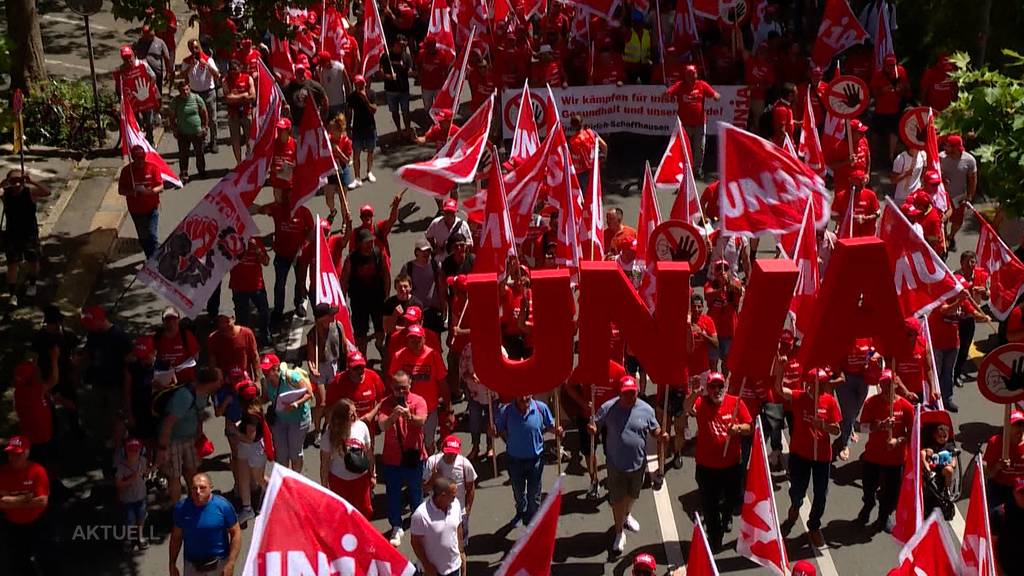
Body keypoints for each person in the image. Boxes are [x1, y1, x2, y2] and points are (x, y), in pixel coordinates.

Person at [590, 376, 665, 553]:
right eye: (625, 393)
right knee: (617, 500)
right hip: (616, 465)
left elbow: (654, 429)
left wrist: (660, 434)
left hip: (638, 464)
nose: (629, 397)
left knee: (632, 496)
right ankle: (618, 532)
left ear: (637, 392)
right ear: (620, 393)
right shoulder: (608, 407)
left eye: (632, 393)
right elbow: (595, 424)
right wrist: (592, 428)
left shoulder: (646, 409)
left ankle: (627, 515)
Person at [683, 371, 752, 551]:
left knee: (732, 499)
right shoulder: (702, 403)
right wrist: (696, 393)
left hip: (731, 466)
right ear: (708, 389)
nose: (717, 390)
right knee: (710, 505)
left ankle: (726, 515)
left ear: (725, 387)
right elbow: (686, 407)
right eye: (712, 387)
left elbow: (749, 427)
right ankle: (715, 537)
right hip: (707, 468)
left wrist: (737, 428)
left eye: (720, 386)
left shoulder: (735, 403)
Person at [775, 366, 842, 548]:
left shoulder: (829, 402)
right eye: (816, 383)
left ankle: (813, 526)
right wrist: (781, 368)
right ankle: (795, 506)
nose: (819, 387)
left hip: (822, 457)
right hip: (800, 454)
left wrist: (823, 425)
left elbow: (837, 429)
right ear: (809, 384)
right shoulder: (798, 397)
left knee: (821, 494)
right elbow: (780, 390)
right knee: (797, 489)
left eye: (822, 384)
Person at [856, 369, 913, 532]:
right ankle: (868, 505)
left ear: (896, 384)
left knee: (891, 493)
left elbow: (913, 435)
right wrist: (880, 425)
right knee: (868, 487)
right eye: (883, 384)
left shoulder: (906, 407)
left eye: (889, 383)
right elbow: (863, 428)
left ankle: (884, 515)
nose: (886, 387)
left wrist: (898, 441)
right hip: (873, 456)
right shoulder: (871, 403)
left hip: (895, 459)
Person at [493, 394, 561, 527]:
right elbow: (496, 431)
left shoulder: (541, 408)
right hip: (514, 460)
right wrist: (492, 431)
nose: (524, 398)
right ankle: (520, 510)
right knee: (518, 492)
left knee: (534, 494)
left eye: (527, 394)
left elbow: (552, 426)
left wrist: (558, 431)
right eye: (520, 395)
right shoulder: (506, 411)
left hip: (535, 460)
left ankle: (533, 522)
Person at [157, 367, 221, 505]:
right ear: (210, 382)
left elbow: (198, 414)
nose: (221, 383)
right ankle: (177, 511)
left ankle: (196, 502)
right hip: (173, 441)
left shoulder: (204, 394)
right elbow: (168, 423)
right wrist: (162, 448)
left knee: (192, 472)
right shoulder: (184, 396)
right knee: (175, 477)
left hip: (189, 439)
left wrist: (199, 432)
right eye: (219, 380)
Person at [378, 371, 428, 547]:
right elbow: (382, 426)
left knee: (416, 492)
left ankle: (418, 522)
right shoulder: (386, 403)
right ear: (392, 387)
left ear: (410, 385)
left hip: (414, 455)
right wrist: (393, 416)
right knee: (393, 494)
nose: (400, 392)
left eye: (404, 388)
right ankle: (396, 525)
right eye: (397, 388)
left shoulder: (418, 401)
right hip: (393, 458)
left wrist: (408, 415)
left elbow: (421, 421)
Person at [255, 187, 315, 324]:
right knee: (280, 284)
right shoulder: (278, 209)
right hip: (281, 255)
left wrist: (303, 246)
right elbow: (262, 210)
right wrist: (274, 202)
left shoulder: (304, 212)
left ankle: (299, 303)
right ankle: (278, 310)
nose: (289, 199)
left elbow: (311, 231)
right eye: (287, 196)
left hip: (298, 255)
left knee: (299, 281)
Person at [389, 324, 449, 454]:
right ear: (407, 340)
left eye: (418, 339)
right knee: (406, 443)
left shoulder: (433, 356)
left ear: (424, 339)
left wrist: (448, 408)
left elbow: (443, 383)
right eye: (412, 339)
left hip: (429, 409)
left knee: (427, 442)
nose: (415, 342)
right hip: (405, 409)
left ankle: (427, 468)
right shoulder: (399, 356)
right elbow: (392, 382)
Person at [0, 436, 54, 576]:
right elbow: (1, 502)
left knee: (47, 558)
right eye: (10, 453)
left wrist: (11, 499)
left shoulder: (37, 471)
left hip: (37, 523)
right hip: (13, 526)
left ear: (26, 454)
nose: (12, 457)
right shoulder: (2, 472)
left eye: (17, 454)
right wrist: (27, 498)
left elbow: (42, 501)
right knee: (19, 561)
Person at [169, 473, 241, 576]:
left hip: (218, 564)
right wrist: (172, 563)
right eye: (194, 488)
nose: (198, 492)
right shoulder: (182, 508)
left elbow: (236, 533)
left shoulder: (223, 506)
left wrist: (231, 562)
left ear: (210, 488)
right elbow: (176, 537)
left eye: (202, 488)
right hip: (192, 566)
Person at [1, 170, 50, 304]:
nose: (16, 184)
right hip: (12, 235)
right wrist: (3, 183)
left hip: (29, 234)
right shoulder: (5, 194)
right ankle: (12, 294)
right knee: (12, 265)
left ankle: (32, 284)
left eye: (19, 181)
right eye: (12, 181)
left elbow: (47, 192)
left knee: (33, 262)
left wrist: (32, 181)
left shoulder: (29, 192)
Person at [321, 399, 375, 518]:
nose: (355, 416)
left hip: (360, 479)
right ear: (341, 417)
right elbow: (324, 464)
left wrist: (373, 475)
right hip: (339, 480)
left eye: (355, 412)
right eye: (351, 415)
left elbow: (369, 454)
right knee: (342, 514)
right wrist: (324, 487)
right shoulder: (329, 435)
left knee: (364, 512)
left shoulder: (362, 427)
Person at [342, 228, 391, 355]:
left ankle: (380, 346)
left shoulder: (378, 254)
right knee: (360, 334)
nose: (370, 245)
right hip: (359, 302)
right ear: (360, 244)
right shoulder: (351, 259)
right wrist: (343, 302)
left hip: (377, 299)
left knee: (380, 330)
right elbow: (344, 281)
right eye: (367, 242)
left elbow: (386, 275)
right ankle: (363, 358)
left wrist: (386, 295)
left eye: (372, 242)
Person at [666, 65, 720, 176]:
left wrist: (716, 96)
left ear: (696, 74)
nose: (691, 76)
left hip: (699, 123)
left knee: (699, 147)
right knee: (683, 147)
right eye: (688, 74)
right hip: (684, 123)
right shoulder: (680, 85)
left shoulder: (702, 85)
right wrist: (667, 94)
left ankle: (697, 170)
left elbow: (715, 94)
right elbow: (668, 93)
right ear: (685, 75)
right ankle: (683, 169)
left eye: (693, 74)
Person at [423, 435, 477, 542]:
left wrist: (467, 509)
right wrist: (434, 478)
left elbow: (471, 488)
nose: (451, 455)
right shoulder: (432, 462)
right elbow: (425, 489)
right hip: (436, 513)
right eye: (449, 452)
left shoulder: (464, 464)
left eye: (454, 453)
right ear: (443, 449)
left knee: (459, 544)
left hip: (458, 514)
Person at [306, 302, 347, 438]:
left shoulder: (338, 326)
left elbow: (344, 346)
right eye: (330, 314)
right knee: (322, 402)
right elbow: (311, 358)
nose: (333, 316)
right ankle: (317, 429)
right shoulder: (313, 334)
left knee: (332, 401)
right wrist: (312, 368)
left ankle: (327, 425)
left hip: (334, 365)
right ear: (321, 318)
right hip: (321, 369)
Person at [263, 360, 313, 472]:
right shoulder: (266, 381)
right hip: (279, 420)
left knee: (295, 453)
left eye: (268, 369)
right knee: (281, 454)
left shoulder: (291, 377)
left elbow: (309, 393)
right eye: (263, 369)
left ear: (276, 368)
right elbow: (266, 397)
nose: (264, 372)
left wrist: (295, 404)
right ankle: (284, 478)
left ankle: (296, 478)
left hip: (298, 419)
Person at [411, 476, 465, 576]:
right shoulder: (421, 515)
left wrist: (461, 552)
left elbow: (458, 527)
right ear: (442, 496)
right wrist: (426, 565)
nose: (455, 497)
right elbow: (415, 542)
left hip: (454, 566)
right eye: (453, 495)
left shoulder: (456, 504)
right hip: (433, 571)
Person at [118, 144, 165, 257]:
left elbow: (161, 186)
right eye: (137, 158)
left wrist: (151, 191)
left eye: (141, 158)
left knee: (152, 235)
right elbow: (121, 190)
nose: (140, 161)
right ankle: (150, 256)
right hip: (136, 211)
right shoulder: (126, 171)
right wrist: (131, 192)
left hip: (151, 208)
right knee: (143, 237)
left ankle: (154, 260)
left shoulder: (153, 168)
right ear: (133, 158)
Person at [227, 237, 271, 345]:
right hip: (239, 287)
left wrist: (258, 250)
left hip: (256, 286)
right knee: (242, 317)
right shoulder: (231, 242)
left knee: (264, 312)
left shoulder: (256, 242)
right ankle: (243, 340)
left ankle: (265, 334)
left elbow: (266, 262)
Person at [954, 251, 989, 386]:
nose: (970, 264)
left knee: (965, 348)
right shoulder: (955, 277)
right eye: (967, 261)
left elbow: (987, 297)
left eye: (973, 261)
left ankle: (957, 372)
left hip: (970, 319)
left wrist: (984, 292)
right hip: (956, 318)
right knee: (954, 349)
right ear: (961, 263)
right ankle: (951, 373)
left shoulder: (981, 276)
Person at [940, 134, 978, 250]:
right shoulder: (941, 157)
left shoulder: (969, 160)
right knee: (943, 219)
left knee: (958, 220)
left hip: (959, 196)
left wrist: (970, 196)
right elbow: (935, 173)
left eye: (948, 146)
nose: (945, 148)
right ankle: (944, 237)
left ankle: (951, 236)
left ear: (955, 148)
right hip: (943, 196)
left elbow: (973, 178)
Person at [182, 39, 220, 154]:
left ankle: (214, 141)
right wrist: (189, 67)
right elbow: (182, 76)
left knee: (212, 119)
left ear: (200, 47)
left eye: (196, 48)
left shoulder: (208, 59)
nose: (194, 51)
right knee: (199, 120)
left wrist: (207, 65)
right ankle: (202, 142)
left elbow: (217, 75)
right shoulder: (187, 61)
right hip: (195, 94)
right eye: (191, 48)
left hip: (208, 92)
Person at [704, 260, 743, 369]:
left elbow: (739, 290)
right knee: (713, 362)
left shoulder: (734, 284)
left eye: (725, 269)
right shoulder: (710, 285)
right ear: (714, 272)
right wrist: (721, 288)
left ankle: (724, 383)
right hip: (714, 332)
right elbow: (708, 295)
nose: (722, 271)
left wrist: (728, 283)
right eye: (719, 269)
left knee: (727, 363)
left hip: (729, 332)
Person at [870, 55, 910, 162]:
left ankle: (891, 156)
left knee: (894, 132)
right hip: (880, 109)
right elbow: (874, 93)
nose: (891, 68)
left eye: (893, 66)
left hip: (895, 109)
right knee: (876, 132)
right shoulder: (878, 74)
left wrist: (900, 89)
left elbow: (906, 88)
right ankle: (873, 156)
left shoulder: (901, 71)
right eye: (889, 66)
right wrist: (883, 90)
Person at [169, 80, 210, 183]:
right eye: (183, 90)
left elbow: (204, 112)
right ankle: (184, 173)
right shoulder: (176, 101)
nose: (185, 92)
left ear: (190, 89)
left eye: (187, 89)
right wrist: (174, 129)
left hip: (197, 132)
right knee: (183, 154)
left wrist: (205, 127)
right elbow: (172, 116)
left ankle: (201, 171)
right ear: (179, 91)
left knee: (199, 152)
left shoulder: (196, 98)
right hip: (183, 132)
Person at [984, 410, 1024, 512]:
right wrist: (998, 466)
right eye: (1016, 425)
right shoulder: (995, 442)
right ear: (1007, 428)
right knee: (995, 514)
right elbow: (987, 474)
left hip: (1019, 488)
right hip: (998, 486)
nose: (1020, 428)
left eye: (1022, 425)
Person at [115, 438, 150, 550]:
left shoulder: (142, 461)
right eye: (131, 450)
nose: (134, 453)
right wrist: (132, 479)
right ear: (126, 451)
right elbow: (118, 484)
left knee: (141, 517)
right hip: (127, 499)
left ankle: (140, 536)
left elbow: (145, 472)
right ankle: (128, 539)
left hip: (141, 496)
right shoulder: (121, 467)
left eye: (136, 450)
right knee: (129, 519)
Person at [207, 313, 261, 383]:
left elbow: (255, 356)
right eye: (221, 322)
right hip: (225, 382)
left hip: (245, 380)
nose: (224, 325)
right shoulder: (213, 338)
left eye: (226, 321)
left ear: (233, 319)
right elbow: (212, 361)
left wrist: (257, 379)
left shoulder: (247, 333)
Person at [347, 75, 377, 187]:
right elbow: (349, 112)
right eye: (355, 84)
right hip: (357, 128)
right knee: (356, 153)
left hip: (370, 127)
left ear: (363, 83)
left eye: (359, 84)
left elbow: (374, 110)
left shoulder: (371, 93)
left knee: (370, 151)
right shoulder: (352, 96)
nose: (357, 86)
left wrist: (365, 99)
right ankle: (357, 177)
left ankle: (369, 171)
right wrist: (348, 127)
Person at [382, 36, 415, 140]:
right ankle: (399, 130)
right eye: (400, 45)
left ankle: (408, 129)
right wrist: (389, 77)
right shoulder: (386, 56)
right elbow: (380, 72)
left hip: (403, 89)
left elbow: (409, 69)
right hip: (391, 90)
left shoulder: (406, 56)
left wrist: (411, 72)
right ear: (395, 44)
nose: (402, 47)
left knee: (406, 112)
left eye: (403, 45)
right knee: (394, 112)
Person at [832, 170, 880, 238]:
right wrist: (849, 219)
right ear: (850, 181)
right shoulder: (841, 196)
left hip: (867, 235)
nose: (855, 185)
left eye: (859, 182)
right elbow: (833, 216)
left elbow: (877, 213)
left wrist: (865, 218)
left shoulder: (871, 195)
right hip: (847, 235)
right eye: (854, 182)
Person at [223, 60, 255, 163]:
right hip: (233, 115)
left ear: (240, 68)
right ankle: (239, 162)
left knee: (250, 139)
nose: (234, 73)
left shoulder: (248, 78)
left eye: (235, 70)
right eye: (231, 71)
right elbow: (228, 98)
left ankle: (249, 160)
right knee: (235, 141)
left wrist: (235, 97)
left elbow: (252, 96)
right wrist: (243, 96)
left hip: (246, 113)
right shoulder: (226, 80)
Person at [992, 476, 1024, 575]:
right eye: (1021, 492)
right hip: (1004, 570)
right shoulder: (1001, 513)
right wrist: (999, 572)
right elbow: (992, 546)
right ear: (1014, 492)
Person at [325, 114, 355, 212]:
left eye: (332, 129)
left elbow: (347, 160)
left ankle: (345, 221)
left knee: (343, 198)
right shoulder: (328, 140)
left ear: (338, 131)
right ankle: (333, 210)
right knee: (329, 199)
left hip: (342, 169)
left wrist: (339, 152)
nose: (330, 131)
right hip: (331, 170)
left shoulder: (346, 141)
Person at [284, 63, 328, 129]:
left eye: (302, 72)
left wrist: (323, 117)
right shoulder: (289, 87)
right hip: (297, 125)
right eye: (298, 73)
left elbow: (325, 99)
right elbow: (284, 102)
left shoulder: (313, 85)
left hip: (312, 125)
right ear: (295, 74)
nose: (301, 75)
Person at [415, 38, 453, 113]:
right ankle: (428, 122)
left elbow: (446, 70)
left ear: (433, 46)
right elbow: (418, 66)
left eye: (427, 46)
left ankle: (438, 122)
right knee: (427, 107)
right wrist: (419, 77)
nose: (425, 48)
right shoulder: (421, 54)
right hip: (426, 87)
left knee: (439, 108)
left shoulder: (442, 54)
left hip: (438, 86)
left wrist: (446, 84)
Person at [134, 24, 172, 94]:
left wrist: (168, 72)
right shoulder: (140, 42)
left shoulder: (160, 42)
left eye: (150, 35)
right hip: (143, 74)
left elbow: (166, 58)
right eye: (145, 35)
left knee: (157, 93)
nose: (148, 37)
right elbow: (134, 56)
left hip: (157, 73)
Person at [317, 50, 351, 123]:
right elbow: (321, 86)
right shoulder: (321, 70)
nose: (320, 65)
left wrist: (349, 100)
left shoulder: (339, 68)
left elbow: (347, 84)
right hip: (328, 104)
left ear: (327, 62)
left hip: (338, 103)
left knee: (339, 125)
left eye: (321, 63)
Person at [622, 12, 653, 84]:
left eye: (638, 22)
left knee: (646, 87)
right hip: (631, 67)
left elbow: (651, 49)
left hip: (644, 66)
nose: (637, 24)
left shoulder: (648, 33)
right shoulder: (628, 33)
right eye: (635, 22)